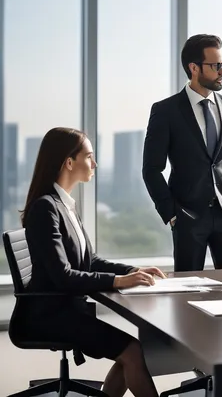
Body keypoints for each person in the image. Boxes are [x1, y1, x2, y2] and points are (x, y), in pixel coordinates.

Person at [20, 127, 165, 397]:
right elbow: (63, 275)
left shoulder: (65, 205)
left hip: (66, 309)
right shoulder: (46, 208)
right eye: (89, 156)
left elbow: (90, 260)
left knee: (132, 351)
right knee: (132, 352)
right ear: (69, 162)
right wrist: (119, 281)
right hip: (50, 315)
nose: (95, 164)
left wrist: (132, 271)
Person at [142, 34, 222, 272]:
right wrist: (170, 213)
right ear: (194, 68)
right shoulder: (166, 111)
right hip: (187, 217)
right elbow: (151, 169)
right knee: (185, 296)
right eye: (215, 66)